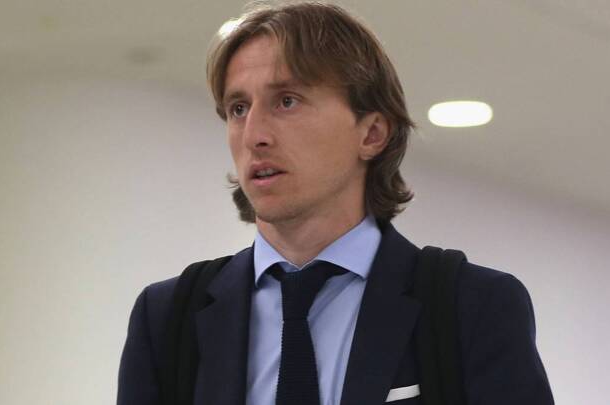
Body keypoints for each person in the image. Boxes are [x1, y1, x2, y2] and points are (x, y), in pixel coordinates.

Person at [117, 2, 555, 405]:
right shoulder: (168, 317)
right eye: (238, 108)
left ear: (372, 134)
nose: (254, 136)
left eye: (287, 101)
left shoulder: (471, 305)